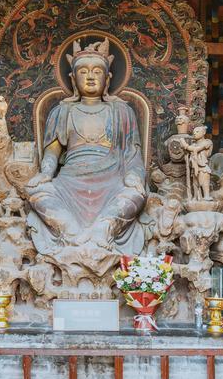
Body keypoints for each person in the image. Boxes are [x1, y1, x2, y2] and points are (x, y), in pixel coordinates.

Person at [25, 38, 146, 254]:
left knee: (135, 195)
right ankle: (70, 231)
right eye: (83, 72)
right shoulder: (62, 111)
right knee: (36, 191)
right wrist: (45, 173)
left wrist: (133, 176)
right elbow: (52, 151)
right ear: (73, 79)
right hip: (69, 181)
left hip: (112, 179)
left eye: (97, 72)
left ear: (107, 79)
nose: (90, 76)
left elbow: (133, 153)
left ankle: (103, 229)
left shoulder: (122, 112)